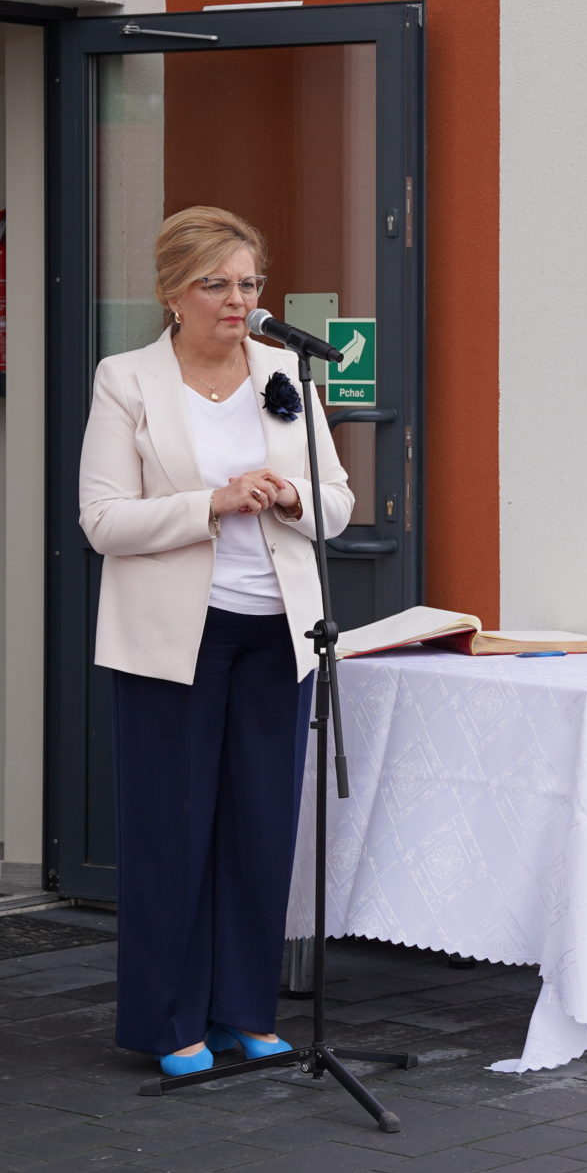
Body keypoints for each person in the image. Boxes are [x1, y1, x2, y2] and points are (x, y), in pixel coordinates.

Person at [77, 206, 353, 1078]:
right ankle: (170, 1021)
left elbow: (339, 503)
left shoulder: (283, 371)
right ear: (172, 292)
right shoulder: (127, 380)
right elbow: (102, 521)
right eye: (218, 284)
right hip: (174, 641)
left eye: (250, 282)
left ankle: (244, 1010)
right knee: (173, 831)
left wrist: (292, 497)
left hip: (277, 634)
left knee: (261, 830)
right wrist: (212, 503)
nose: (240, 300)